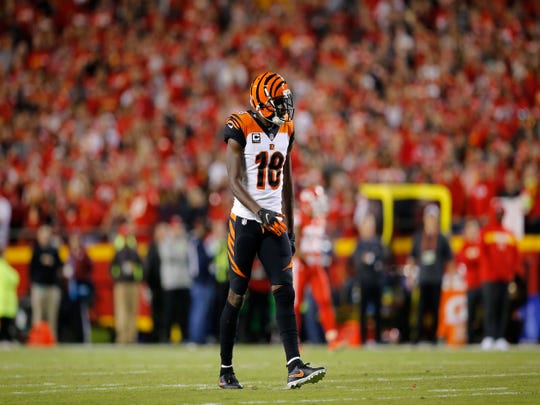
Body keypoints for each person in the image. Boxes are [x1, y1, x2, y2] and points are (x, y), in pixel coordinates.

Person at [218, 71, 326, 389]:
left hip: (274, 221)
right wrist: (258, 211)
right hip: (245, 222)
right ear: (263, 103)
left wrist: (289, 227)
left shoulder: (286, 129)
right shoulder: (240, 125)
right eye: (279, 102)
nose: (285, 109)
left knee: (285, 290)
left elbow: (287, 180)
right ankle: (226, 369)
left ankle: (294, 366)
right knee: (237, 294)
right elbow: (234, 181)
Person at [294, 185, 340, 349]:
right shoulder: (298, 218)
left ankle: (332, 339)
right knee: (296, 303)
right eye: (316, 200)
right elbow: (293, 245)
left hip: (316, 265)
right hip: (300, 265)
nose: (320, 204)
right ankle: (294, 342)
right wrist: (306, 257)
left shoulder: (320, 218)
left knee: (325, 299)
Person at [407, 204, 453, 344]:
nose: (431, 220)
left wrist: (450, 278)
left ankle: (434, 337)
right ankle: (418, 336)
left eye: (433, 218)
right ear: (425, 219)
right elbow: (412, 257)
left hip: (437, 278)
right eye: (429, 217)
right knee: (420, 309)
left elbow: (449, 259)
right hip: (423, 278)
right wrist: (410, 276)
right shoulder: (418, 237)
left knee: (436, 310)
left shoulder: (442, 238)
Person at [479, 199, 521, 351]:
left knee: (503, 308)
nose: (498, 215)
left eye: (500, 213)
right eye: (496, 212)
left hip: (505, 277)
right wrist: (493, 271)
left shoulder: (509, 233)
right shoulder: (485, 232)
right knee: (490, 307)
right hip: (490, 277)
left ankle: (500, 337)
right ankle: (489, 336)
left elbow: (516, 255)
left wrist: (511, 274)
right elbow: (483, 255)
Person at [350, 214, 388, 345]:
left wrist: (373, 259)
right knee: (362, 312)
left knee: (378, 311)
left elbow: (385, 256)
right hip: (364, 282)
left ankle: (378, 338)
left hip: (377, 281)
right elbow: (355, 260)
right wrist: (363, 259)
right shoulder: (359, 244)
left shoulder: (378, 242)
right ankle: (363, 339)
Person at [158, 216, 192, 343]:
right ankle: (166, 337)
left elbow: (186, 255)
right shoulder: (166, 241)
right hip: (170, 283)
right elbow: (168, 255)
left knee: (183, 312)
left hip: (183, 282)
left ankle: (185, 337)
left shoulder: (185, 240)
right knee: (169, 313)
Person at [110, 223, 144, 344]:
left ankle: (131, 337)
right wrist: (119, 277)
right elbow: (113, 269)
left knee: (132, 311)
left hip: (132, 285)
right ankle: (122, 338)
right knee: (122, 312)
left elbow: (140, 268)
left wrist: (136, 276)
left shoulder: (134, 252)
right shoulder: (118, 252)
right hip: (122, 285)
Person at [29, 225, 63, 341]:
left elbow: (60, 267)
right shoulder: (35, 250)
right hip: (39, 286)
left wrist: (52, 262)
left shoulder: (54, 250)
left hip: (52, 286)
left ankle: (52, 340)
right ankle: (36, 339)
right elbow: (31, 268)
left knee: (52, 317)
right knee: (37, 316)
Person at [188, 218, 215, 344]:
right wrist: (211, 257)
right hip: (201, 281)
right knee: (199, 311)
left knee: (203, 312)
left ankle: (201, 337)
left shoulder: (198, 242)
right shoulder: (196, 242)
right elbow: (200, 263)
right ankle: (196, 338)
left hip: (203, 281)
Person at [456, 219, 483, 344]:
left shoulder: (482, 244)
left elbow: (481, 260)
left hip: (484, 284)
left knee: (486, 313)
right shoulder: (464, 246)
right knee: (470, 315)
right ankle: (470, 339)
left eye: (474, 229)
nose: (472, 232)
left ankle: (487, 337)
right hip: (470, 285)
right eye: (470, 229)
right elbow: (464, 261)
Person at [64, 233, 94, 343]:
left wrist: (78, 274)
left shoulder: (83, 254)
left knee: (84, 313)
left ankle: (86, 337)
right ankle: (77, 338)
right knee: (75, 315)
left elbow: (89, 268)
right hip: (73, 290)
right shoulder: (70, 255)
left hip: (82, 288)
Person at [144, 222, 167, 343]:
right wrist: (148, 285)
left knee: (165, 313)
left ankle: (164, 336)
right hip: (155, 285)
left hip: (168, 285)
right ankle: (156, 337)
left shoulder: (168, 246)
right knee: (156, 313)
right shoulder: (152, 247)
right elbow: (149, 267)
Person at [0, 249, 19, 342]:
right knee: (6, 323)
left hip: (3, 300)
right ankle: (5, 339)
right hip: (5, 300)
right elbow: (15, 278)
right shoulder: (4, 267)